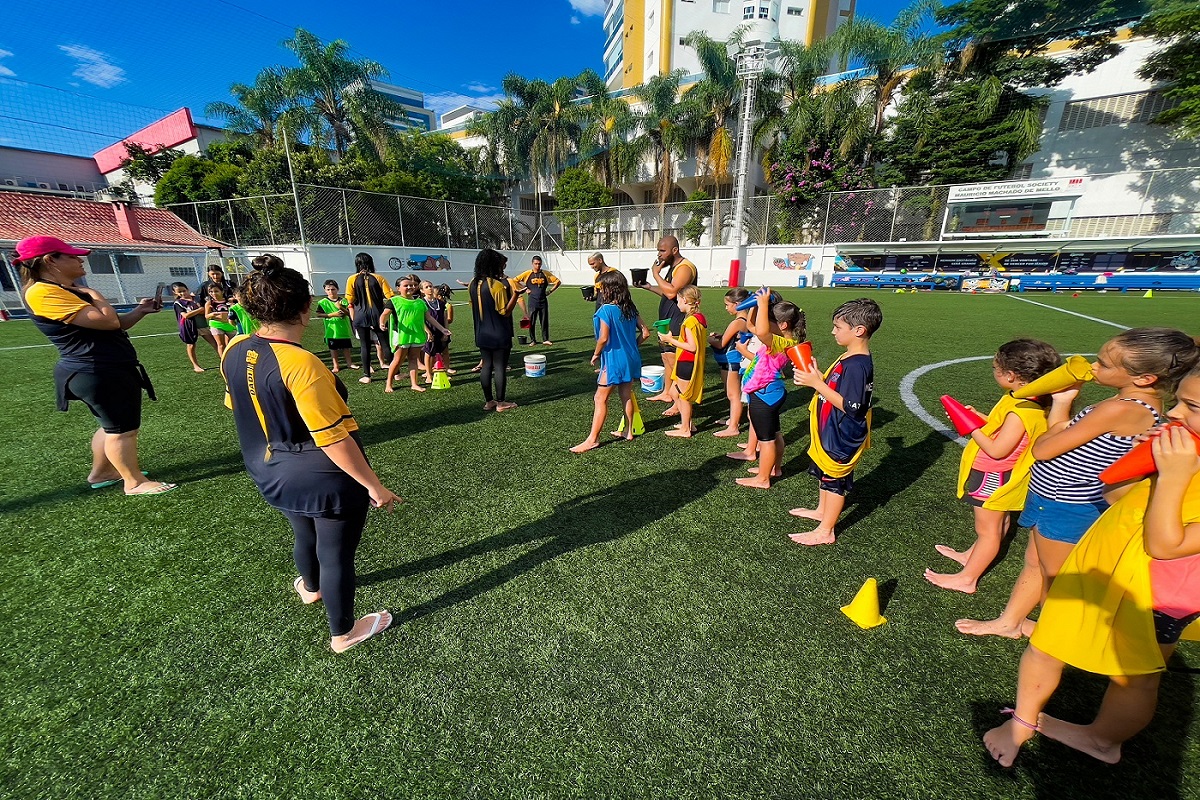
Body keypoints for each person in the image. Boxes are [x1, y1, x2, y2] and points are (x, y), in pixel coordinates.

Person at [982, 363, 1200, 767]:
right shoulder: (1181, 443)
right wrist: (1144, 459)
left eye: (1192, 406)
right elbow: (1117, 494)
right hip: (1123, 566)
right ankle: (1090, 737)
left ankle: (1036, 729)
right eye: (1179, 402)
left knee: (1065, 653)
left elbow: (1165, 545)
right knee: (1131, 673)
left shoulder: (1183, 461)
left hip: (1153, 588)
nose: (1174, 414)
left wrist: (1173, 475)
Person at [957, 328, 1192, 638]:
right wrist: (1062, 403)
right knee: (1036, 563)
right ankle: (1011, 622)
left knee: (1055, 578)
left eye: (1106, 365)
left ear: (1144, 378)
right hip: (1056, 497)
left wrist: (1059, 419)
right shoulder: (1128, 405)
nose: (1095, 367)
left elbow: (1042, 449)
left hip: (1068, 502)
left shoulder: (1118, 408)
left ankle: (1052, 638)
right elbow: (1060, 432)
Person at [220, 264, 402, 654]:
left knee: (304, 531)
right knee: (335, 553)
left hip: (266, 468)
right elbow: (333, 438)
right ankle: (344, 634)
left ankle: (311, 588)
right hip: (320, 474)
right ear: (306, 309)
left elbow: (237, 403)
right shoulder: (303, 364)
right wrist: (374, 486)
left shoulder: (235, 348)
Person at [15, 235, 175, 495]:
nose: (80, 260)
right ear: (49, 260)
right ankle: (134, 482)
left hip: (102, 367)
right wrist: (94, 293)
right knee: (123, 430)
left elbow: (113, 324)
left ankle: (103, 471)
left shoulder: (64, 290)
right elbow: (107, 322)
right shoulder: (43, 292)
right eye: (71, 256)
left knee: (111, 425)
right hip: (96, 368)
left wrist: (139, 311)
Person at [925, 340, 1061, 594]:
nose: (994, 371)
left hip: (994, 476)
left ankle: (968, 579)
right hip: (1000, 474)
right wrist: (979, 417)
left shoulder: (1021, 412)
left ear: (1011, 375)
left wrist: (971, 427)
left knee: (988, 530)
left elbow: (997, 449)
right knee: (998, 523)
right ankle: (971, 556)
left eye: (995, 367)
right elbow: (1005, 430)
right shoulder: (1020, 400)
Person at [789, 298, 882, 545]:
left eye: (838, 327)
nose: (833, 331)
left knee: (834, 479)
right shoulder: (849, 357)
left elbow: (854, 407)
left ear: (858, 330)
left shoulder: (857, 365)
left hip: (843, 431)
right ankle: (822, 512)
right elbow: (835, 389)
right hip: (830, 426)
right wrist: (817, 376)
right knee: (824, 473)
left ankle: (826, 530)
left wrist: (816, 384)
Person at [571, 270, 650, 453]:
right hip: (631, 358)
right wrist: (633, 346)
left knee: (600, 398)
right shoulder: (630, 308)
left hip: (614, 360)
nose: (599, 292)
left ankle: (593, 439)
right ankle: (629, 431)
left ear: (609, 290)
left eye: (601, 288)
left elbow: (603, 338)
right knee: (626, 394)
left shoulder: (606, 310)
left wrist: (596, 354)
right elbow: (645, 333)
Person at [733, 289, 804, 489]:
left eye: (769, 319)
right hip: (770, 393)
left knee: (766, 440)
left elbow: (761, 331)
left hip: (765, 394)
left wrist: (764, 305)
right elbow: (752, 325)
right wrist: (756, 305)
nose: (765, 323)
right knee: (775, 434)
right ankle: (774, 468)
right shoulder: (782, 339)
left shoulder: (780, 342)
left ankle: (763, 478)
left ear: (782, 325)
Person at [638, 236, 697, 409]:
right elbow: (668, 293)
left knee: (675, 361)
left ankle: (679, 402)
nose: (659, 254)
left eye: (662, 250)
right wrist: (649, 287)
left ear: (674, 250)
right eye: (658, 250)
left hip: (678, 320)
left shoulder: (685, 268)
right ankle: (666, 392)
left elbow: (672, 293)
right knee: (666, 358)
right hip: (666, 319)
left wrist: (656, 273)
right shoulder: (673, 267)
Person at [470, 248, 525, 412]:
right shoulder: (497, 286)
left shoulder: (473, 283)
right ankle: (501, 402)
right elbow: (505, 311)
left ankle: (489, 401)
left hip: (482, 332)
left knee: (486, 365)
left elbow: (474, 305)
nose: (502, 269)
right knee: (500, 366)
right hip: (499, 332)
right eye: (501, 265)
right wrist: (515, 294)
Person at [380, 275, 451, 393]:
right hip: (401, 336)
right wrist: (382, 323)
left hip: (416, 335)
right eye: (406, 285)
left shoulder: (419, 302)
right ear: (398, 288)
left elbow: (428, 318)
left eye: (412, 285)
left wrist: (442, 329)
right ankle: (389, 383)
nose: (410, 287)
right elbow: (385, 314)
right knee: (398, 360)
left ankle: (414, 384)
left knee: (413, 359)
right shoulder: (393, 301)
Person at [656, 286, 706, 438]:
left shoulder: (689, 321)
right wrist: (673, 340)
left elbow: (692, 347)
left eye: (678, 300)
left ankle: (686, 429)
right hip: (687, 362)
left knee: (683, 397)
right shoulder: (699, 317)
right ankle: (689, 423)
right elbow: (691, 341)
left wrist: (669, 339)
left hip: (687, 363)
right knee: (674, 392)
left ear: (684, 300)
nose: (677, 304)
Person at [344, 252, 394, 384]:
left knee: (364, 346)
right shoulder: (379, 278)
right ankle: (396, 373)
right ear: (371, 263)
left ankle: (367, 376)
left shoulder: (352, 279)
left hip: (360, 316)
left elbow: (349, 299)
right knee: (385, 344)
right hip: (378, 315)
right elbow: (390, 296)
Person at [709, 289, 751, 438]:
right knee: (732, 393)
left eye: (727, 305)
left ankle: (734, 426)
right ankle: (732, 420)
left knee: (733, 395)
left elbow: (721, 344)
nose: (726, 308)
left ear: (737, 304)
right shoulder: (747, 320)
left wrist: (707, 339)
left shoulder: (737, 322)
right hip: (733, 360)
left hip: (732, 361)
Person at [513, 256, 561, 345]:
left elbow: (558, 282)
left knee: (544, 320)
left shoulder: (545, 273)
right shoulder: (527, 273)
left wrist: (550, 291)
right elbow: (515, 281)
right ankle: (532, 340)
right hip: (532, 301)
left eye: (539, 264)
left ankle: (545, 339)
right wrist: (525, 289)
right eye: (536, 264)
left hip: (543, 301)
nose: (537, 266)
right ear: (532, 264)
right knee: (531, 321)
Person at [170, 282, 214, 373]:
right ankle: (196, 365)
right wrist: (198, 310)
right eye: (179, 292)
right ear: (175, 293)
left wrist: (196, 312)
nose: (183, 293)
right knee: (191, 345)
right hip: (189, 327)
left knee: (215, 343)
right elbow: (186, 315)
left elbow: (205, 311)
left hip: (203, 325)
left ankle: (223, 360)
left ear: (188, 289)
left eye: (184, 291)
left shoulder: (197, 299)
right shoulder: (178, 303)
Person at [316, 280, 356, 373]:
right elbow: (318, 314)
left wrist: (341, 308)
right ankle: (336, 365)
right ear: (325, 290)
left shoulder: (343, 301)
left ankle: (349, 363)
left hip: (343, 329)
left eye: (333, 289)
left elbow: (349, 314)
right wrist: (332, 315)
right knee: (333, 349)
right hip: (332, 332)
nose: (331, 291)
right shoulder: (322, 302)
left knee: (346, 348)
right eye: (328, 289)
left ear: (337, 289)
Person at [420, 280, 450, 381]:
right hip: (429, 331)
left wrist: (445, 331)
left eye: (431, 286)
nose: (430, 288)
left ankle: (445, 372)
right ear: (422, 290)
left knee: (444, 350)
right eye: (426, 287)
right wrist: (427, 331)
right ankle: (428, 375)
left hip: (441, 331)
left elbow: (445, 317)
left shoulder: (441, 303)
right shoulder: (421, 303)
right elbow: (421, 320)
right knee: (429, 353)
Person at [204, 284, 237, 355]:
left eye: (216, 291)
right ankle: (223, 362)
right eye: (211, 292)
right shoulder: (209, 303)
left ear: (222, 291)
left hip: (229, 324)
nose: (213, 293)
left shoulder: (228, 301)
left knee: (233, 343)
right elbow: (206, 316)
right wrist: (212, 314)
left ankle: (231, 358)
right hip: (216, 325)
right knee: (221, 345)